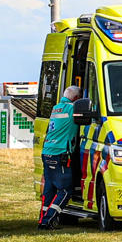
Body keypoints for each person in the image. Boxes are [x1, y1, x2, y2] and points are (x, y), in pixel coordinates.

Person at [38, 83, 81, 229]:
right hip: (60, 153)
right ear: (76, 98)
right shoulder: (73, 108)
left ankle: (42, 220)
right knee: (65, 190)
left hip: (47, 152)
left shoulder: (56, 108)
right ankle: (49, 220)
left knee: (49, 190)